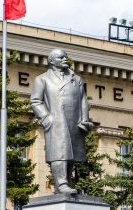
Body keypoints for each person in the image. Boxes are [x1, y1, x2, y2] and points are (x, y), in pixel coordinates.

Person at [30, 48, 94, 194]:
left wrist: (84, 119)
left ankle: (65, 184)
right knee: (59, 152)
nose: (65, 59)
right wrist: (46, 118)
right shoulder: (42, 79)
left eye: (66, 57)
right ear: (51, 61)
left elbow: (83, 100)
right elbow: (35, 101)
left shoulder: (76, 79)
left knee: (71, 154)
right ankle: (61, 182)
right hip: (56, 121)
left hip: (74, 121)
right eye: (61, 58)